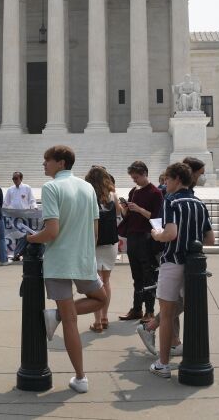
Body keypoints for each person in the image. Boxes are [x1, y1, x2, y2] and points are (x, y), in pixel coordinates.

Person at [27, 145, 105, 394]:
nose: (43, 165)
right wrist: (88, 254)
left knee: (69, 319)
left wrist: (29, 239)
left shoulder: (51, 188)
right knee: (100, 300)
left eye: (46, 161)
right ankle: (78, 375)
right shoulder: (87, 187)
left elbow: (51, 231)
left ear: (60, 163)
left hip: (59, 261)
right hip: (83, 259)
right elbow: (95, 230)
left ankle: (81, 377)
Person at [148, 162, 215, 378]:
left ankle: (163, 363)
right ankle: (193, 355)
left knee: (167, 315)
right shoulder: (198, 203)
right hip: (194, 265)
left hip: (173, 260)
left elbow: (170, 234)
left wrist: (156, 235)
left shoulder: (171, 201)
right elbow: (210, 239)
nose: (165, 183)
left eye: (167, 179)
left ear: (177, 179)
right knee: (192, 308)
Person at [118, 161, 163, 323]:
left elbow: (157, 218)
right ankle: (137, 309)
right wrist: (125, 208)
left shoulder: (155, 193)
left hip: (147, 236)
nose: (134, 180)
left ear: (144, 173)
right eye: (132, 177)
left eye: (136, 177)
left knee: (148, 275)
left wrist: (139, 209)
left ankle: (149, 311)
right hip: (133, 235)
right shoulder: (133, 191)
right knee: (136, 275)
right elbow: (127, 216)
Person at [85, 166, 119, 333]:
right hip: (110, 243)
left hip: (94, 242)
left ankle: (97, 321)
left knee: (94, 283)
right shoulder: (113, 195)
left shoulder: (88, 195)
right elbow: (119, 214)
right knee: (106, 281)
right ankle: (105, 317)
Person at [4, 171, 36, 260]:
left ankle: (21, 254)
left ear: (21, 179)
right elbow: (6, 203)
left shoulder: (27, 188)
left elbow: (32, 200)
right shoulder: (10, 189)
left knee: (24, 236)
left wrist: (34, 207)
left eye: (16, 178)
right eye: (13, 178)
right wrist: (4, 210)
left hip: (25, 217)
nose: (14, 180)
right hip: (14, 217)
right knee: (15, 236)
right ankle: (16, 254)